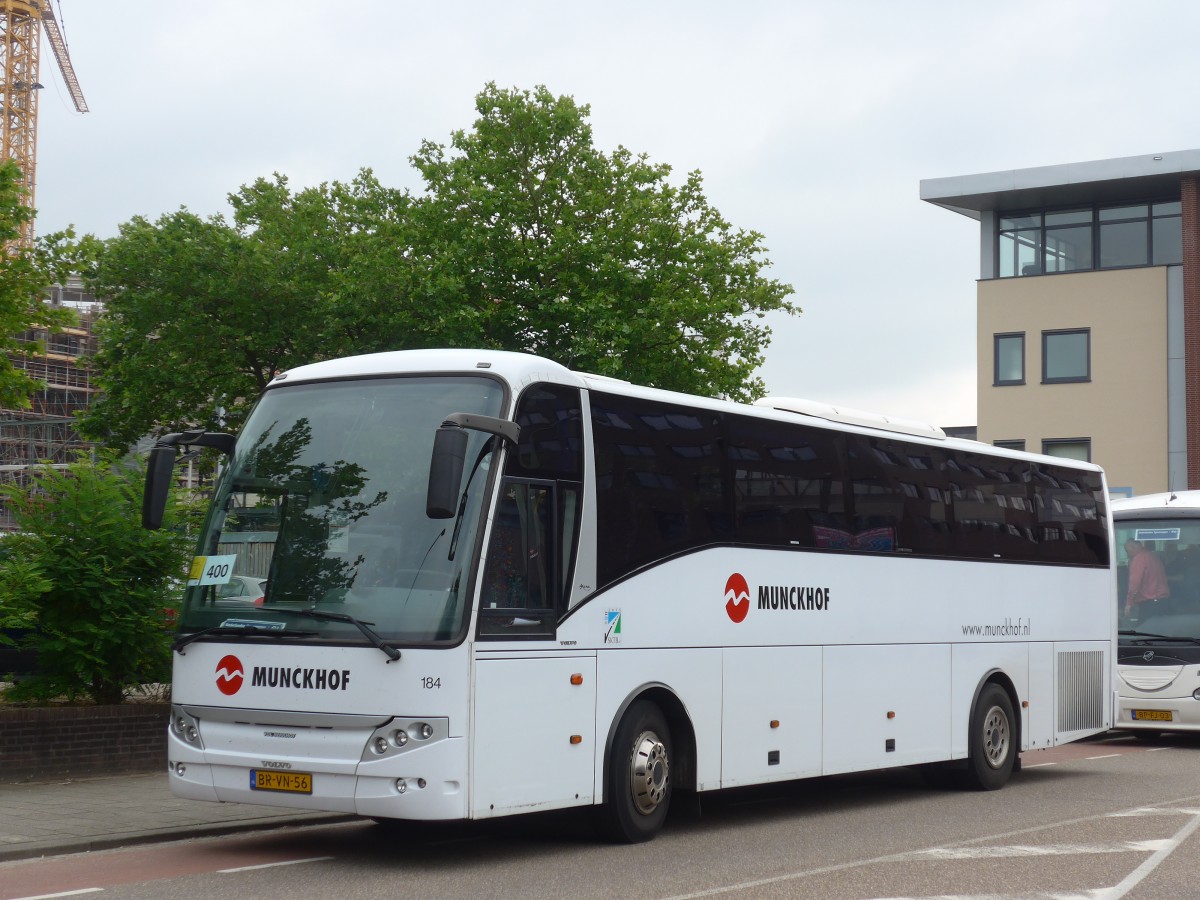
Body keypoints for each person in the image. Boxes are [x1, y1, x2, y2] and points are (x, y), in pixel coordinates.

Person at [1125, 539, 1170, 617]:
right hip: (1162, 600)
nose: (1127, 555)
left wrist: (1129, 602)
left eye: (1127, 551)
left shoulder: (1139, 559)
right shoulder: (1153, 557)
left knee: (1142, 628)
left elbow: (1134, 583)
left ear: (1133, 547)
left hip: (1150, 602)